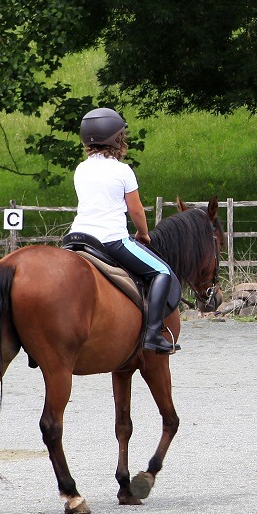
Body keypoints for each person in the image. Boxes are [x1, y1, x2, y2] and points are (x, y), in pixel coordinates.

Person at [66, 107, 179, 354]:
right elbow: (136, 210)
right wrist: (143, 234)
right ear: (117, 139)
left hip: (76, 238)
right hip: (110, 240)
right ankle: (153, 334)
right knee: (162, 272)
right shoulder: (122, 170)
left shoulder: (81, 169)